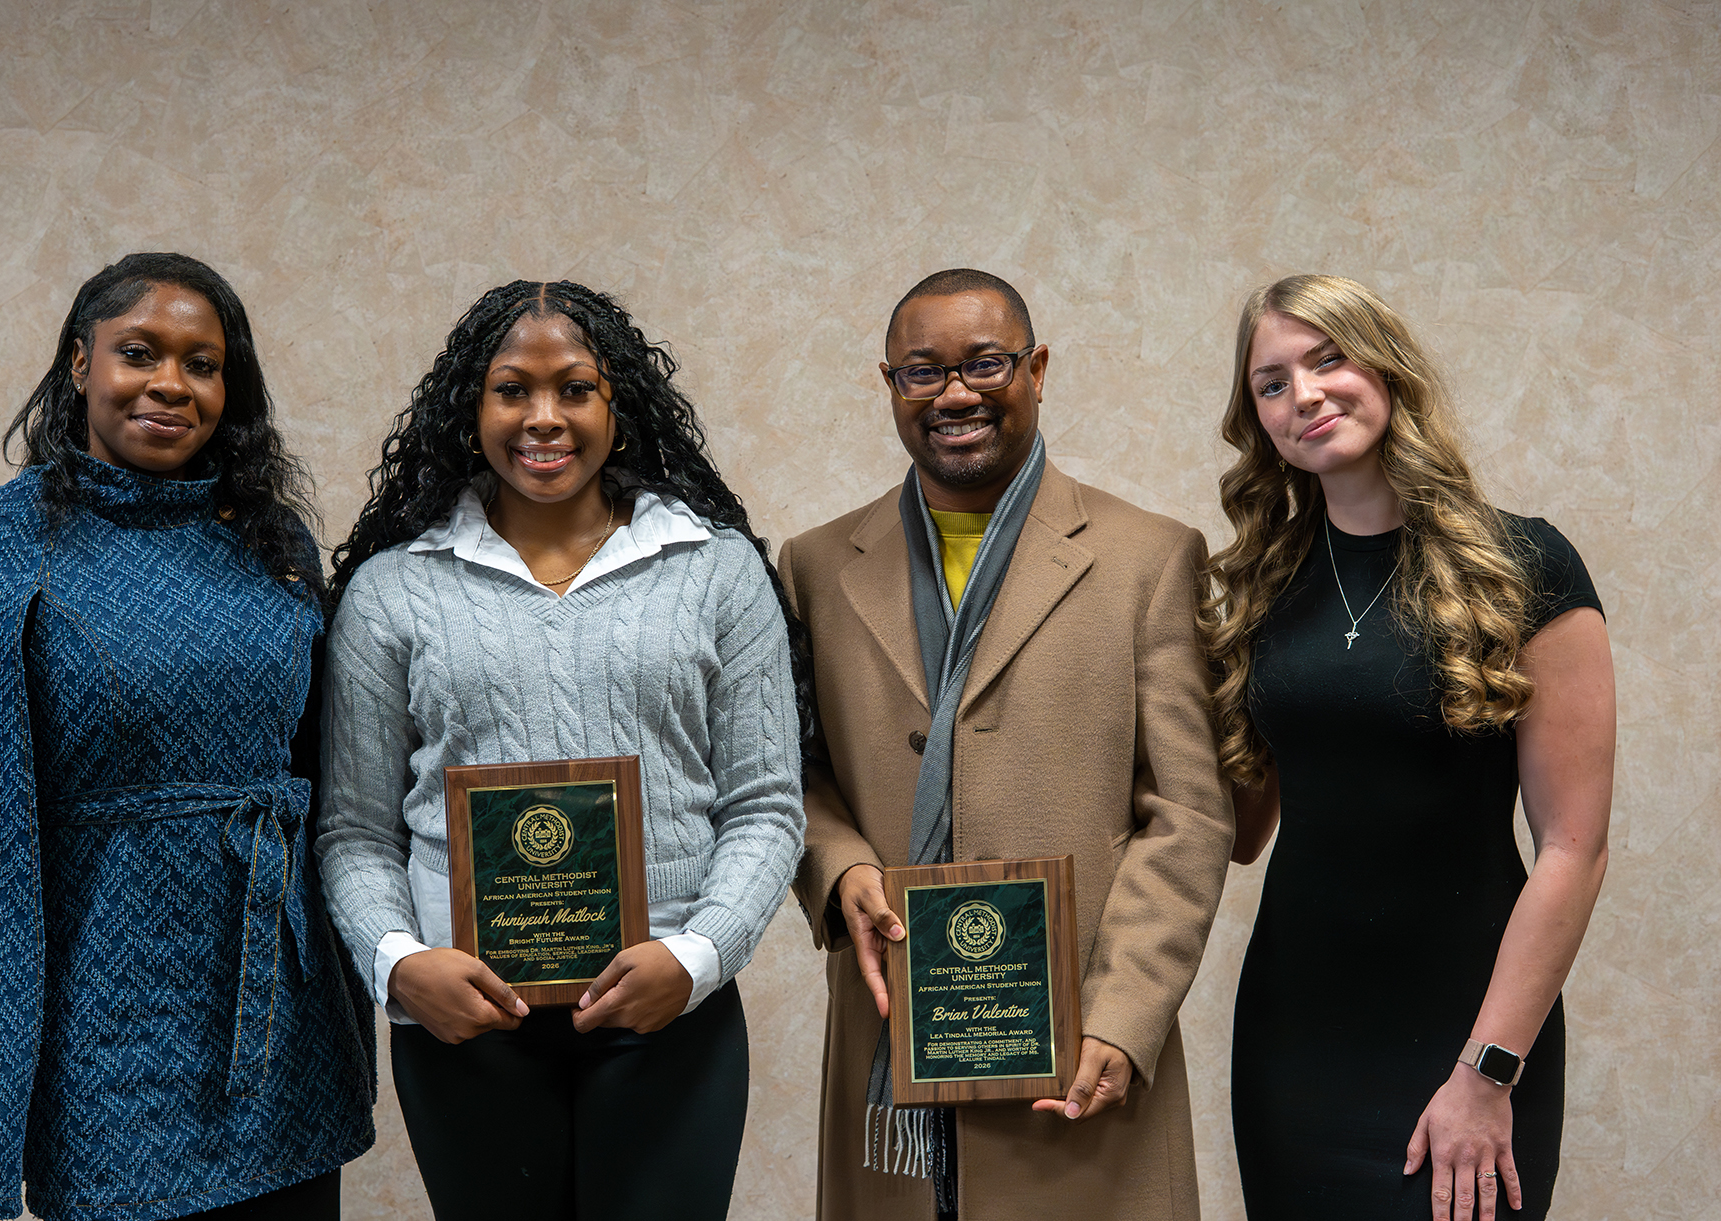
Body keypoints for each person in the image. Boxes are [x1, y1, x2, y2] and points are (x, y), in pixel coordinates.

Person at [0, 253, 376, 1221]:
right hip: (108, 1038)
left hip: (282, 1029)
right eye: (138, 353)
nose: (169, 385)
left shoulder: (271, 541)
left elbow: (328, 792)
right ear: (78, 364)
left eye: (201, 363)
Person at [316, 279, 806, 1221]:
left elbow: (765, 805)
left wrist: (698, 956)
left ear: (619, 404)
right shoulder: (393, 590)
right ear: (473, 407)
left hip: (670, 1011)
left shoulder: (715, 568)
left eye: (575, 387)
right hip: (465, 1022)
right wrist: (397, 962)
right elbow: (353, 828)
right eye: (513, 389)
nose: (545, 417)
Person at [781, 268, 1234, 1220]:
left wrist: (1126, 1014)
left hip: (1079, 1039)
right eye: (923, 371)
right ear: (889, 384)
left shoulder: (1150, 555)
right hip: (893, 1021)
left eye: (985, 364)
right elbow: (792, 769)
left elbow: (1188, 811)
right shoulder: (817, 565)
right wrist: (838, 864)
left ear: (1036, 369)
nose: (955, 394)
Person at [1207, 274, 1614, 1221]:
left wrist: (1487, 1072)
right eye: (1271, 383)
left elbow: (1574, 847)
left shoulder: (1526, 565)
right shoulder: (1262, 590)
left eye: (1328, 359)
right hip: (1293, 1041)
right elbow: (1241, 828)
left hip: (1469, 1036)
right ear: (1258, 419)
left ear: (1387, 371)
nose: (1303, 395)